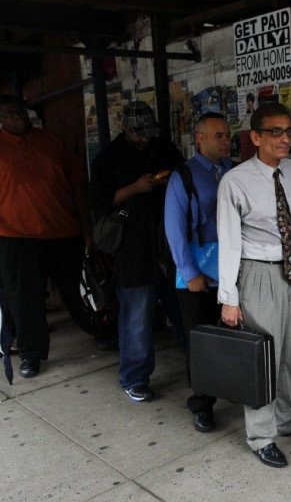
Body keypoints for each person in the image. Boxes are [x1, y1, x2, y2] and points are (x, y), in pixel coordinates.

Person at [217, 103, 291, 469]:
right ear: (256, 137)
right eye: (275, 132)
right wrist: (229, 298)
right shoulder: (235, 181)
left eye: (288, 132)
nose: (284, 139)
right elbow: (229, 241)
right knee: (265, 358)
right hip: (258, 273)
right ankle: (262, 435)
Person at [90, 101, 185, 402]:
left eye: (148, 133)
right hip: (132, 248)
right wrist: (136, 187)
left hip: (169, 242)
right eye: (139, 134)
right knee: (136, 315)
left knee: (183, 309)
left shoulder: (164, 148)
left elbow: (185, 177)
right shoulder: (109, 157)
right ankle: (134, 377)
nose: (145, 139)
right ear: (125, 128)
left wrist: (169, 180)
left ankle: (200, 365)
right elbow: (100, 202)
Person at [0, 94, 97, 378]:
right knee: (25, 299)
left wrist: (86, 227)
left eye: (19, 112)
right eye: (9, 114)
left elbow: (77, 185)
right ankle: (31, 353)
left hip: (63, 231)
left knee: (79, 290)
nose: (17, 118)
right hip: (15, 236)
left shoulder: (51, 141)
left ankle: (99, 330)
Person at [164, 112, 233, 431]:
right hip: (197, 274)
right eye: (218, 135)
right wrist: (189, 272)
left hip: (231, 270)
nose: (225, 140)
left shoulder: (233, 171)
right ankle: (202, 402)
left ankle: (239, 390)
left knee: (235, 339)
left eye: (227, 135)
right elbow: (174, 228)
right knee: (201, 340)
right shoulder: (184, 176)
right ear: (200, 138)